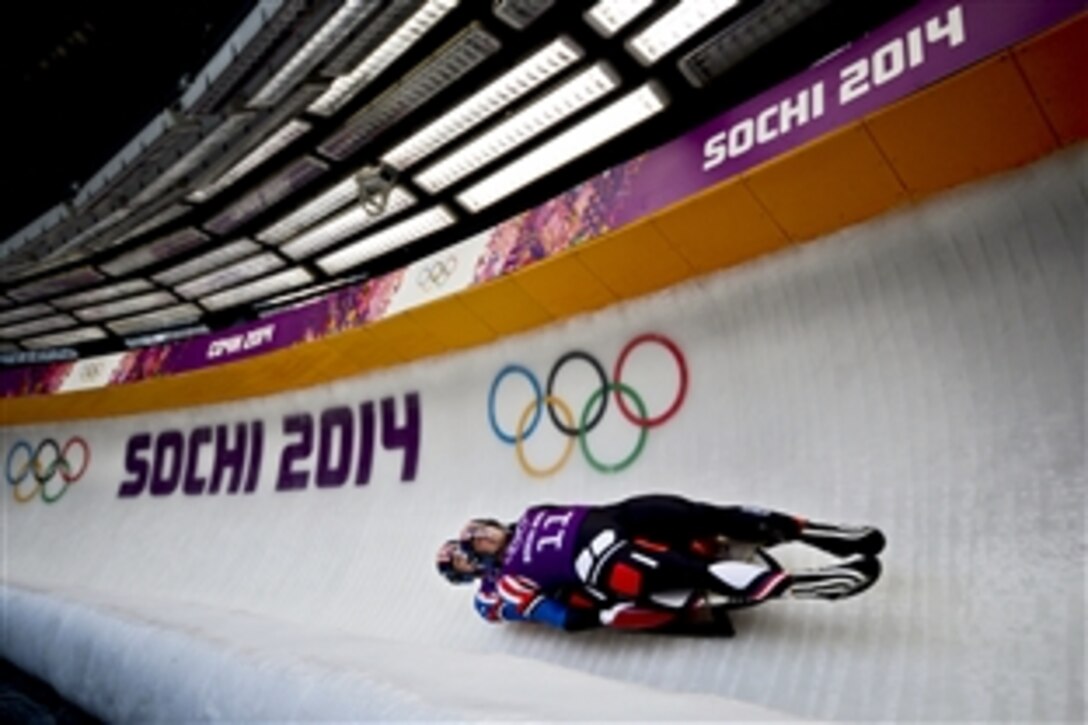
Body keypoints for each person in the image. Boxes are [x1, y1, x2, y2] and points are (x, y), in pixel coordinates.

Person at [435, 494, 884, 635]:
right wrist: (599, 616)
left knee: (706, 514)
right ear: (477, 563)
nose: (476, 536)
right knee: (692, 571)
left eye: (474, 529)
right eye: (470, 547)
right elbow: (559, 615)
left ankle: (823, 533)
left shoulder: (531, 514)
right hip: (602, 562)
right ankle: (803, 585)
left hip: (621, 516)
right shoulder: (506, 581)